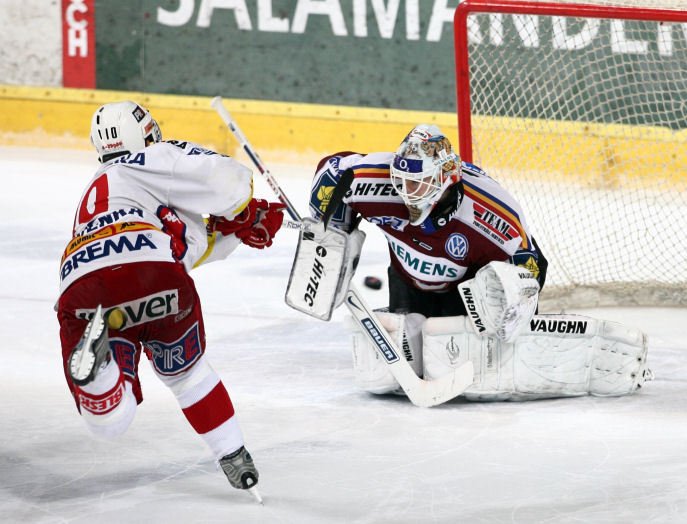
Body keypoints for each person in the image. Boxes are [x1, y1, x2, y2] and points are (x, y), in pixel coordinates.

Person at [302, 124, 649, 401]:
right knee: (389, 373)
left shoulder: (489, 212)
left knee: (473, 372)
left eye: (419, 183)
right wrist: (330, 226)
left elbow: (531, 264)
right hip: (407, 281)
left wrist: (514, 311)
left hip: (464, 294)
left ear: (445, 177)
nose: (408, 191)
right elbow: (335, 170)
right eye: (403, 180)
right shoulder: (376, 182)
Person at [56, 100, 285, 499]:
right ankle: (231, 453)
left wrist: (232, 232)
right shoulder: (153, 157)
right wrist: (246, 213)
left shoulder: (96, 195)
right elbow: (227, 184)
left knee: (107, 421)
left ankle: (101, 372)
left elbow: (177, 245)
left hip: (81, 284)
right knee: (187, 374)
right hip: (153, 276)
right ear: (146, 134)